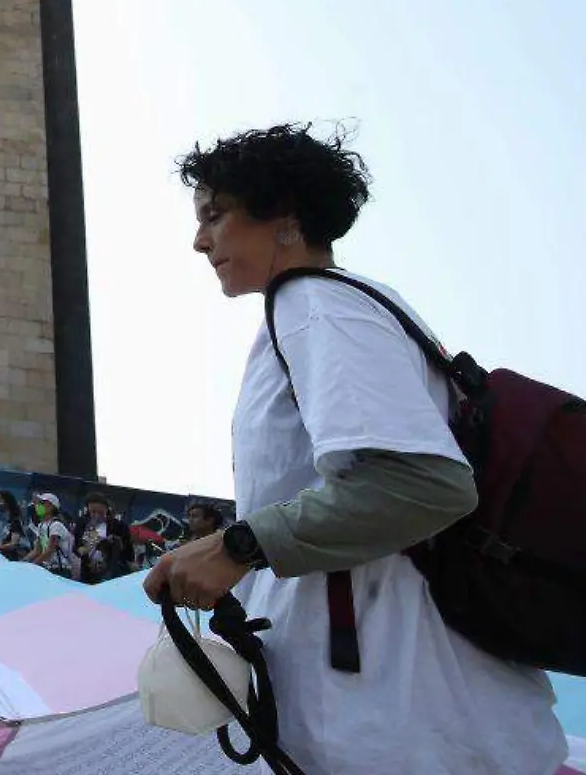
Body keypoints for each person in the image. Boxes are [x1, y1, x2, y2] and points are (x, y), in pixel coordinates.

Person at [145, 123, 562, 774]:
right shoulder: (322, 311)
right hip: (395, 722)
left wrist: (240, 547)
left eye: (216, 216)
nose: (200, 240)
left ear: (284, 217)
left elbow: (423, 486)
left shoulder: (316, 305)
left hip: (403, 723)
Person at [24, 493, 74, 576]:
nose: (38, 506)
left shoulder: (56, 525)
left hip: (61, 570)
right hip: (49, 569)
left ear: (52, 507)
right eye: (38, 504)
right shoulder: (41, 525)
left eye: (42, 503)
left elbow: (49, 551)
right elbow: (37, 550)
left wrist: (32, 565)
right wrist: (23, 562)